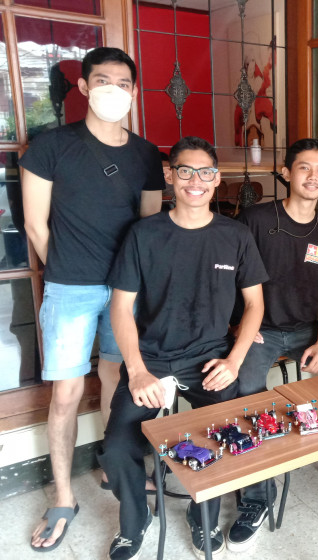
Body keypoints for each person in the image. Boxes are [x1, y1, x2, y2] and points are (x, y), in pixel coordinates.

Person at [21, 46, 164, 552]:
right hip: (70, 288)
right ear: (83, 87)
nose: (112, 90)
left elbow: (151, 230)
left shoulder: (147, 155)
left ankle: (112, 469)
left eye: (123, 83)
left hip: (127, 292)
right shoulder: (50, 147)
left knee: (116, 383)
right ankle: (63, 496)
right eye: (101, 80)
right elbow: (36, 226)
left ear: (133, 91)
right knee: (65, 395)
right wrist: (68, 269)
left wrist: (138, 285)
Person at [99, 136, 267, 560]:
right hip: (151, 360)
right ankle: (134, 523)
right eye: (186, 171)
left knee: (221, 437)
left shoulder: (236, 235)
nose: (197, 180)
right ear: (170, 176)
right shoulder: (143, 235)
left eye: (206, 172)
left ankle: (202, 514)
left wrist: (235, 359)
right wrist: (136, 370)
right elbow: (120, 307)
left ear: (218, 178)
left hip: (208, 358)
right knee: (117, 448)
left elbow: (254, 304)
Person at [227, 138, 318, 552]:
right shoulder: (255, 219)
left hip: (308, 328)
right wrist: (239, 325)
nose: (314, 176)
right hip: (261, 329)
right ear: (287, 174)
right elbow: (225, 275)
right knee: (245, 394)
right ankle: (257, 496)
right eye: (305, 168)